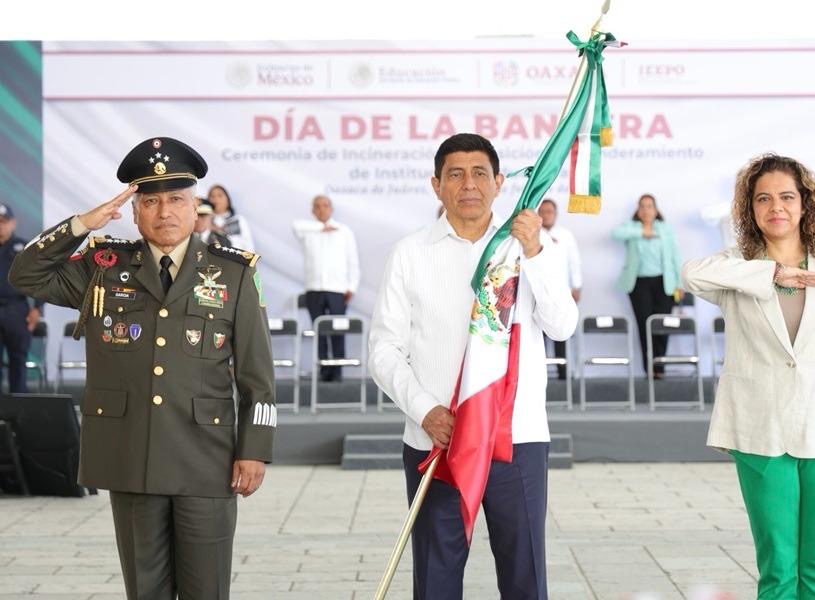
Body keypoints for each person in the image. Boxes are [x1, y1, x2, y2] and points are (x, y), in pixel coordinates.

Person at [10, 136, 276, 600]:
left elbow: (258, 376)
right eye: (150, 202)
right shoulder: (104, 266)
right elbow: (25, 274)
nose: (164, 212)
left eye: (176, 200)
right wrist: (82, 224)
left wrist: (254, 449)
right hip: (131, 453)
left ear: (195, 207)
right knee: (144, 590)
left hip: (206, 458)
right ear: (134, 212)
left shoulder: (233, 273)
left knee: (206, 589)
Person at [369, 133, 577, 600]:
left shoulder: (525, 246)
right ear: (436, 185)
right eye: (456, 174)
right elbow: (383, 348)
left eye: (480, 173)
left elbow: (562, 326)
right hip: (438, 439)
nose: (469, 184)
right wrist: (425, 410)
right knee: (435, 578)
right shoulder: (409, 252)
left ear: (499, 183)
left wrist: (535, 252)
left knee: (525, 576)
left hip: (516, 439)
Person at [681, 153, 815, 598]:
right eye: (763, 198)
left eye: (786, 197)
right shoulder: (738, 268)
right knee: (778, 568)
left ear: (804, 204)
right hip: (759, 432)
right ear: (750, 208)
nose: (775, 207)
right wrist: (773, 273)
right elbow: (690, 275)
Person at [612, 194, 683, 377]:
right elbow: (616, 234)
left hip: (664, 282)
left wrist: (680, 283)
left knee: (661, 325)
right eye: (642, 206)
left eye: (649, 206)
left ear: (656, 210)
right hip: (639, 283)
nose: (646, 210)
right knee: (644, 325)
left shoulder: (665, 229)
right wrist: (642, 233)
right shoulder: (632, 228)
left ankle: (660, 367)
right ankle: (650, 368)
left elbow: (675, 256)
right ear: (638, 210)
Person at [291, 195, 360, 382]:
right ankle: (323, 370)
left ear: (331, 208)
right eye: (318, 206)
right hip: (313, 288)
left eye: (325, 206)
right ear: (313, 210)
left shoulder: (344, 231)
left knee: (337, 330)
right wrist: (321, 228)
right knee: (319, 330)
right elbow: (295, 226)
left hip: (337, 289)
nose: (322, 209)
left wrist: (352, 286)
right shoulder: (308, 231)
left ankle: (337, 371)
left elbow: (352, 260)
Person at [537, 198, 582, 379]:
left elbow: (574, 262)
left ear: (555, 214)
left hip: (562, 292)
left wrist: (577, 286)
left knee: (561, 330)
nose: (546, 215)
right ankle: (539, 375)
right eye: (542, 211)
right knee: (538, 334)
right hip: (538, 292)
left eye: (549, 212)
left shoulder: (566, 235)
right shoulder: (532, 234)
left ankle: (563, 374)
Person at [0, 203, 43, 393]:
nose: (1, 225)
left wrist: (37, 308)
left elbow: (39, 278)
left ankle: (19, 409)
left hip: (17, 310)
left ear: (13, 223)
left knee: (18, 362)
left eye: (4, 221)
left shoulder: (24, 248)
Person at [207, 184, 255, 251]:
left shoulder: (237, 220)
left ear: (228, 199)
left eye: (220, 195)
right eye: (212, 196)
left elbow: (248, 246)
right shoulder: (204, 220)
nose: (216, 199)